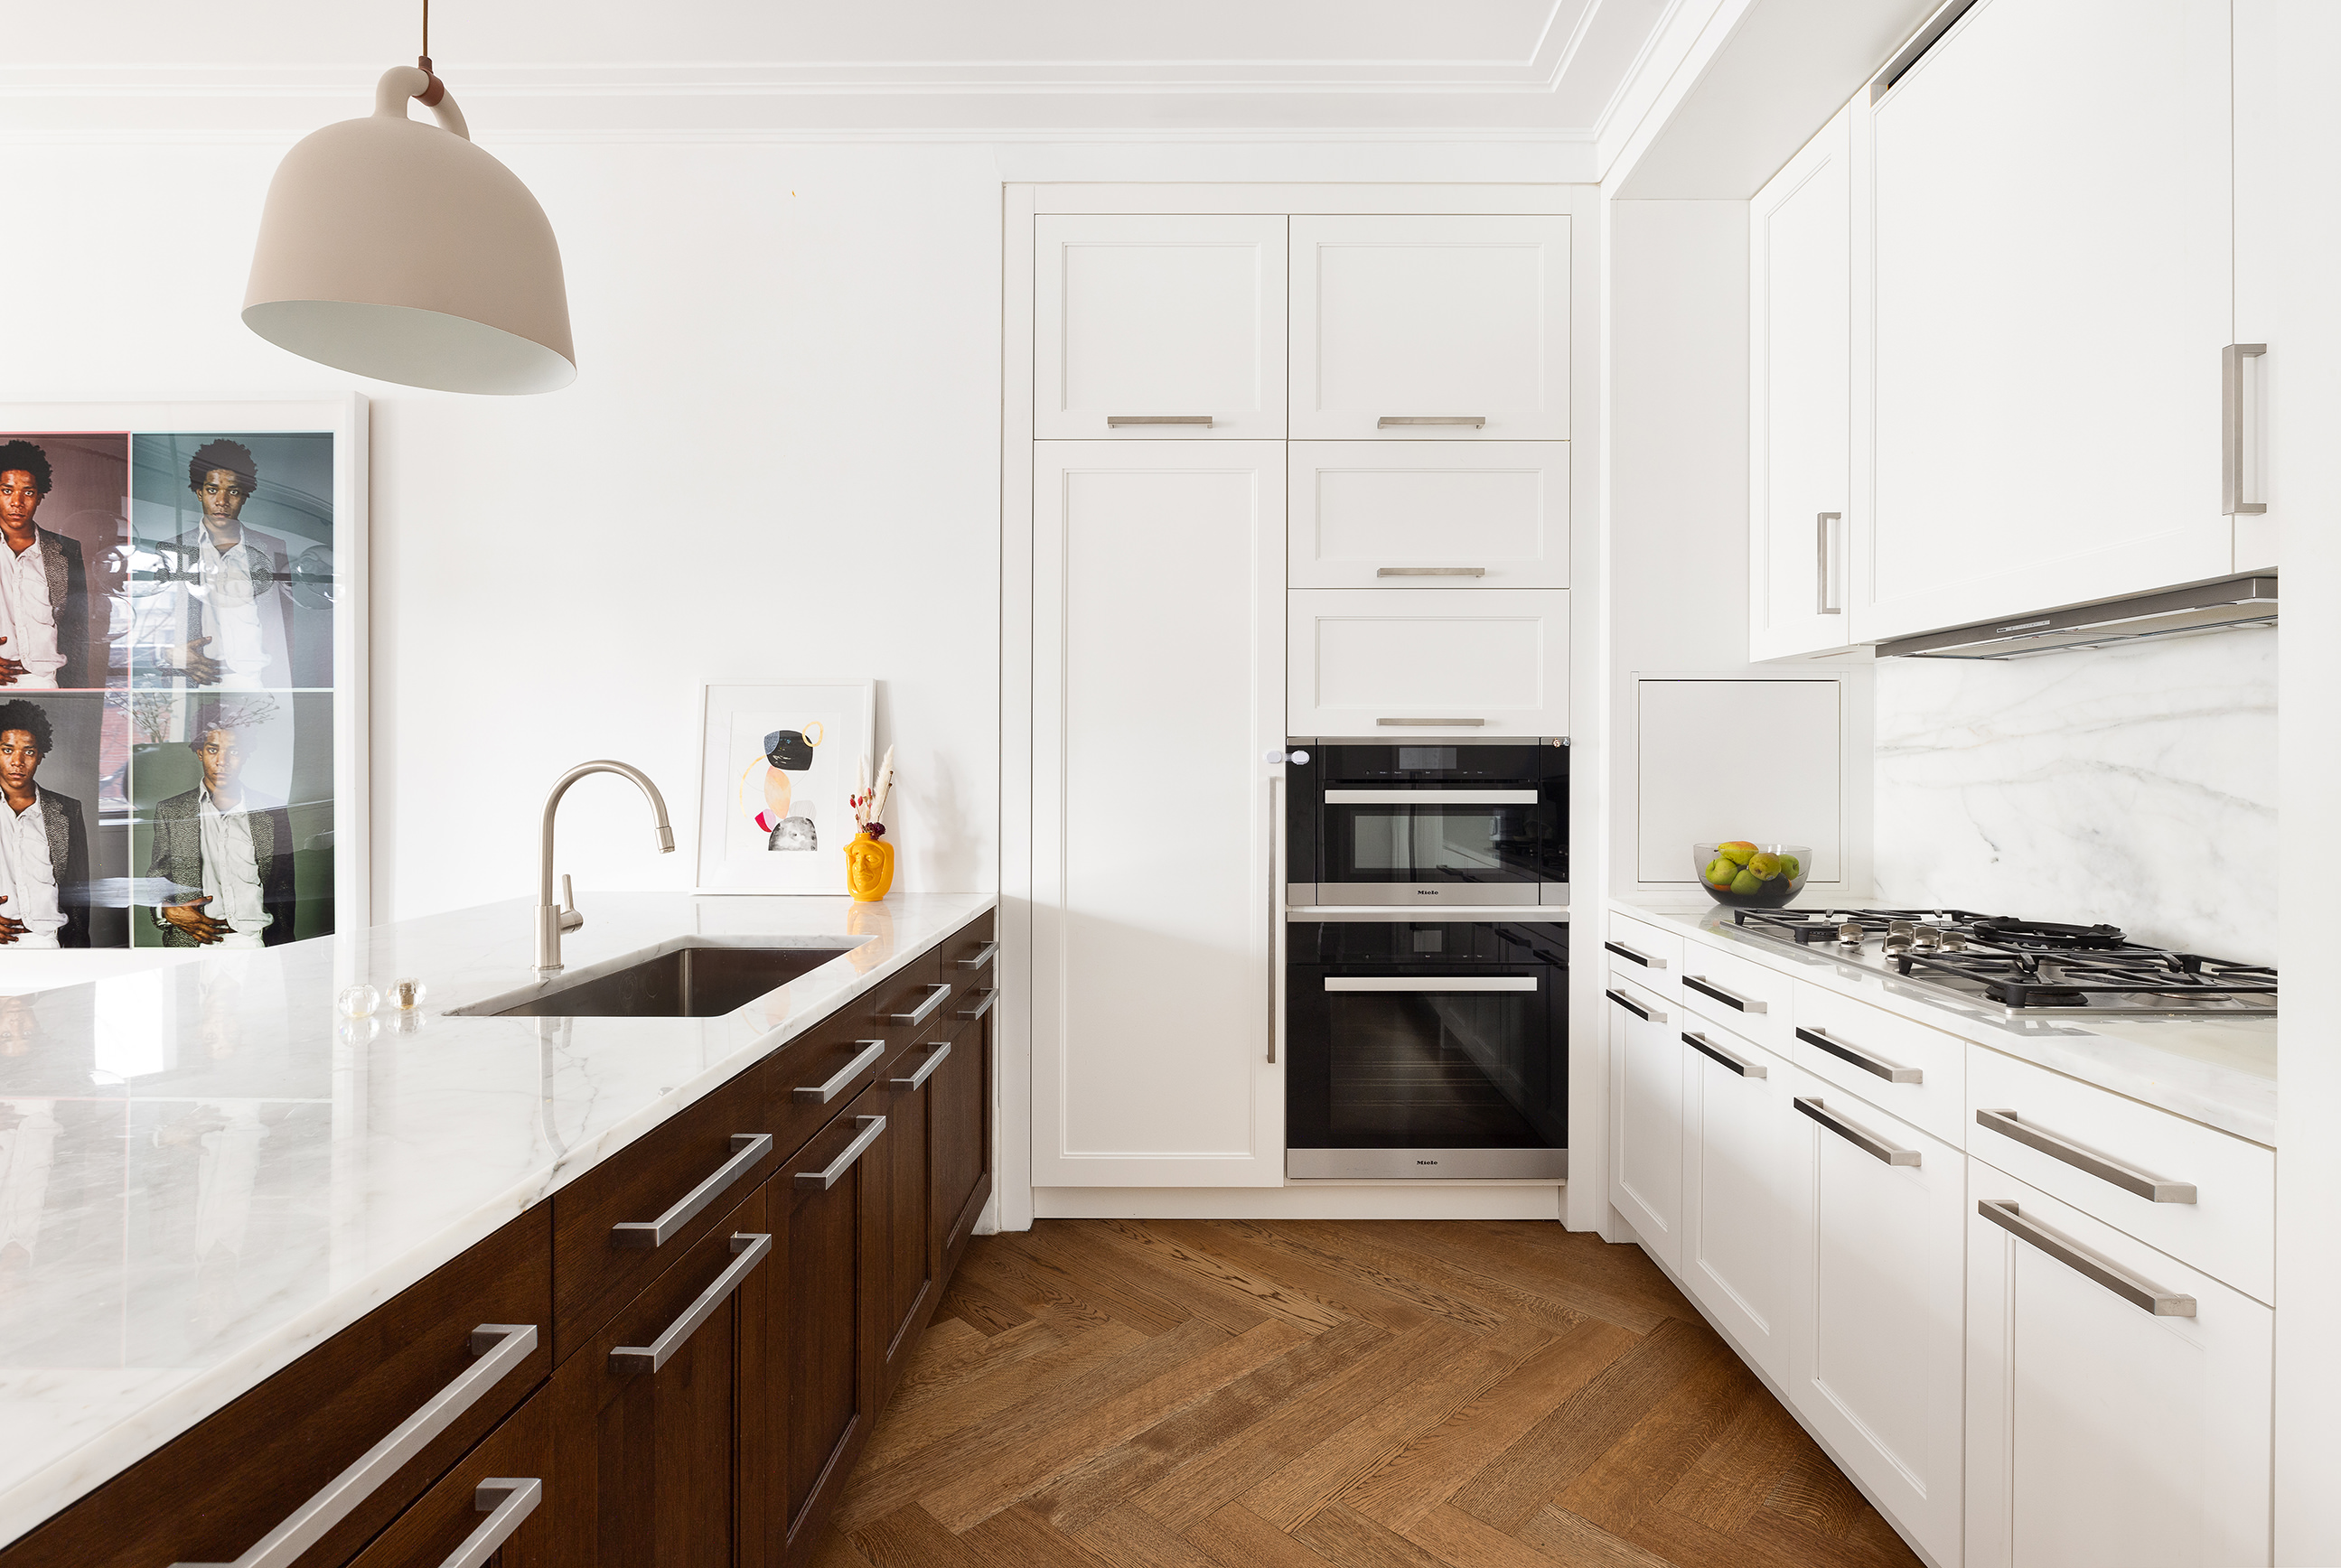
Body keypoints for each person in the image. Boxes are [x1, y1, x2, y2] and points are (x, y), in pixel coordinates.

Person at [134, 440, 294, 690]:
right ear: (199, 492)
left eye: (233, 491)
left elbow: (287, 630)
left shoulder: (273, 548)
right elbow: (145, 624)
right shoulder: (172, 549)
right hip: (197, 682)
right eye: (212, 490)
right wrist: (167, 654)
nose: (222, 501)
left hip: (263, 684)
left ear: (244, 496)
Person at [147, 705, 294, 947]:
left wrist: (285, 948)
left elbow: (283, 888)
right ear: (200, 752)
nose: (222, 761)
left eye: (233, 751)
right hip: (193, 942)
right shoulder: (171, 811)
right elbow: (157, 878)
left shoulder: (271, 811)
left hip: (254, 941)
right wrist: (165, 910)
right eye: (213, 749)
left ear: (245, 755)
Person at [0, 441, 92, 689]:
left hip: (44, 679)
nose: (17, 502)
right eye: (7, 490)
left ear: (40, 497)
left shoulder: (67, 550)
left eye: (28, 492)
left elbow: (77, 627)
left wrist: (79, 692)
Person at [0, 699, 90, 948]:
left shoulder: (67, 810)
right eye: (7, 750)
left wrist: (80, 954)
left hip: (45, 940)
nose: (18, 761)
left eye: (28, 752)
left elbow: (77, 890)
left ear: (40, 756)